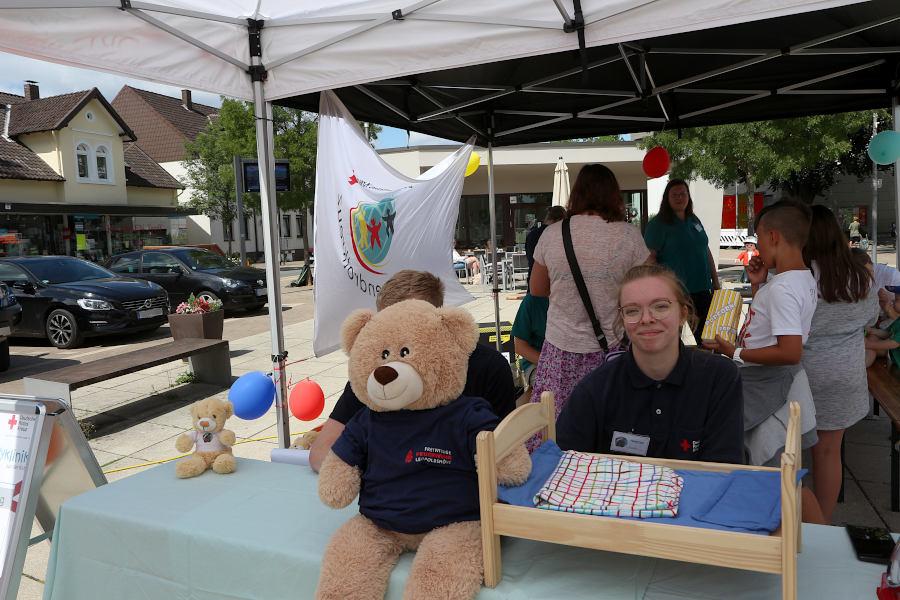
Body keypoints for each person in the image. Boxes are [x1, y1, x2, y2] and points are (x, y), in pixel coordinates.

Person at [308, 270, 516, 472]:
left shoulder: (489, 366)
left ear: (438, 317)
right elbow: (320, 453)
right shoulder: (375, 373)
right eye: (388, 324)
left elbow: (506, 452)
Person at [704, 200, 825, 522]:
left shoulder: (783, 288)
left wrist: (735, 353)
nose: (756, 247)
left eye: (758, 238)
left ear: (773, 237)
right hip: (775, 379)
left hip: (765, 382)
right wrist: (758, 284)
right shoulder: (801, 278)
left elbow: (789, 351)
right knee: (787, 473)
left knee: (777, 472)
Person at [556, 264, 744, 463]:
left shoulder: (719, 378)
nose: (646, 319)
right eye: (632, 310)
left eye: (661, 306)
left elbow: (725, 466)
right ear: (622, 319)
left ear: (682, 313)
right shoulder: (596, 389)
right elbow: (563, 463)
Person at [529, 164, 650, 426]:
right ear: (613, 194)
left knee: (555, 424)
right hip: (611, 349)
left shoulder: (552, 234)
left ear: (577, 194)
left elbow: (537, 289)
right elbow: (645, 290)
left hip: (560, 350)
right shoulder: (629, 236)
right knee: (609, 424)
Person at [801, 205, 877, 524]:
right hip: (847, 373)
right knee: (830, 454)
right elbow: (871, 318)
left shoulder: (799, 276)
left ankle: (802, 520)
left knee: (789, 456)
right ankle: (823, 524)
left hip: (804, 375)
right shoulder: (859, 273)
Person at [643, 179, 721, 344]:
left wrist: (715, 280)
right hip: (674, 293)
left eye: (683, 194)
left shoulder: (694, 220)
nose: (680, 198)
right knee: (671, 341)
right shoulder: (657, 225)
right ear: (667, 198)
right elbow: (649, 260)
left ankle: (706, 369)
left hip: (701, 290)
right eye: (675, 195)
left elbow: (705, 250)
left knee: (707, 339)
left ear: (688, 196)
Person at [511, 292, 548, 402]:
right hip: (536, 363)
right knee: (547, 389)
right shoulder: (532, 301)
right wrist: (551, 365)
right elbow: (520, 346)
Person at [525, 206, 567, 287]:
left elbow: (530, 257)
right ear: (559, 220)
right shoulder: (556, 234)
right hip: (551, 282)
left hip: (533, 280)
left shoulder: (532, 234)